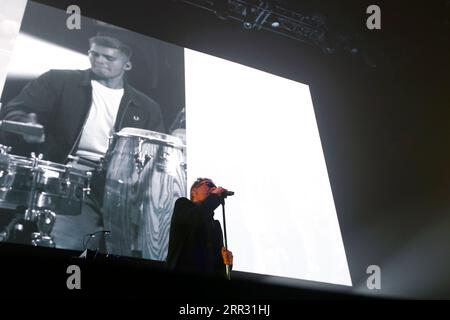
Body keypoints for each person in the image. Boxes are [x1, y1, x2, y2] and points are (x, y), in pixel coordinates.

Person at [0, 34, 166, 251]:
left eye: (108, 57)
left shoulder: (147, 107)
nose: (99, 60)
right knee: (65, 242)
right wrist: (26, 123)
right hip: (72, 179)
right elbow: (15, 109)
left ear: (127, 64)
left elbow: (158, 152)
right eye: (94, 54)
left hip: (123, 189)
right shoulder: (59, 80)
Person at [166, 178, 233, 278]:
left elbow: (218, 269)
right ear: (194, 191)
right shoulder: (183, 204)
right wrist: (214, 196)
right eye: (208, 184)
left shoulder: (216, 227)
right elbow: (195, 218)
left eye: (214, 187)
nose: (213, 188)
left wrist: (227, 263)